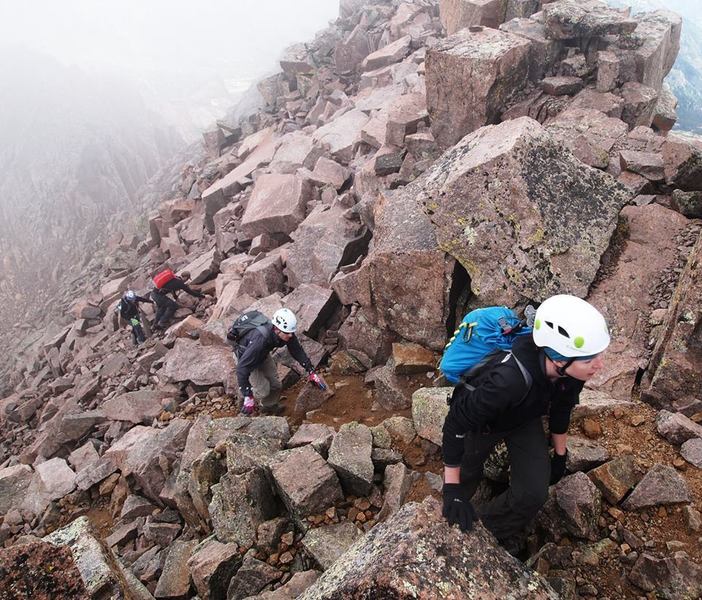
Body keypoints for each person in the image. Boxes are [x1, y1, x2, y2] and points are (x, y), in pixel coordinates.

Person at [441, 294, 610, 549]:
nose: (599, 365)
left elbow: (562, 408)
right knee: (465, 474)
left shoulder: (572, 371)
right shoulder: (507, 381)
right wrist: (452, 488)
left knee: (533, 494)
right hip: (485, 423)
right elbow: (456, 423)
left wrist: (560, 455)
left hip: (524, 417)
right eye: (589, 360)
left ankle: (481, 533)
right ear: (560, 359)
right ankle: (448, 525)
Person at [235, 308, 325, 416]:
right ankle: (246, 402)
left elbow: (297, 350)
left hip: (262, 354)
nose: (291, 335)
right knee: (263, 390)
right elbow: (242, 368)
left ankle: (269, 407)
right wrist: (247, 394)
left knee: (276, 385)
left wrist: (311, 371)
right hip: (246, 357)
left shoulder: (286, 333)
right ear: (277, 329)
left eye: (292, 332)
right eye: (288, 333)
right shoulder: (260, 340)